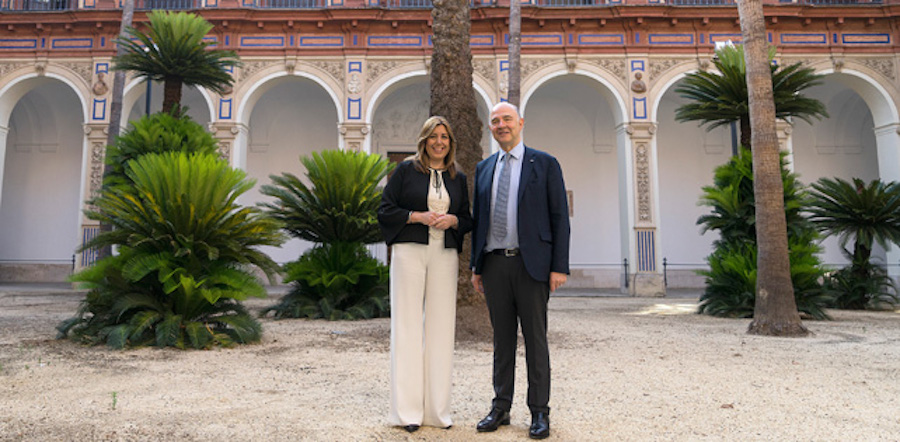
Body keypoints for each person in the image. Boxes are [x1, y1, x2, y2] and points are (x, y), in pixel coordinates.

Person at [470, 102, 570, 440]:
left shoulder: (544, 163)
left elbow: (560, 218)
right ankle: (501, 407)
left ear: (521, 123)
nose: (501, 125)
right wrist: (476, 266)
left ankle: (540, 412)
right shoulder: (484, 168)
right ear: (491, 128)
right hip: (494, 263)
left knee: (536, 340)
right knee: (502, 340)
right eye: (495, 121)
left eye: (507, 119)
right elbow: (480, 220)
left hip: (533, 266)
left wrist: (559, 266)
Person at [377, 116, 473, 433]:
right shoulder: (406, 170)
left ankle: (437, 411)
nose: (439, 142)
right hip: (409, 252)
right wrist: (416, 216)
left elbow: (467, 217)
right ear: (424, 140)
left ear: (450, 142)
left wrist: (454, 222)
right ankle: (407, 413)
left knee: (441, 329)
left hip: (444, 254)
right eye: (433, 136)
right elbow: (385, 209)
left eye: (444, 136)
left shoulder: (457, 178)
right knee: (407, 326)